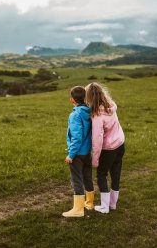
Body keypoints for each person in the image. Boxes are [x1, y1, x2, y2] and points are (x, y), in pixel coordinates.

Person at [85, 83, 125, 214]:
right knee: (116, 172)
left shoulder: (97, 116)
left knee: (102, 174)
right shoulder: (110, 106)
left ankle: (104, 207)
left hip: (109, 148)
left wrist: (95, 160)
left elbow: (97, 140)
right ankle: (112, 204)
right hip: (120, 143)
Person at [62, 86, 94, 217]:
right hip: (87, 152)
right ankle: (90, 203)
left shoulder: (75, 115)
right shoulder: (90, 111)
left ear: (71, 100)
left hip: (78, 153)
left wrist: (71, 154)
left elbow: (76, 137)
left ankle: (78, 209)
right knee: (87, 177)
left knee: (76, 179)